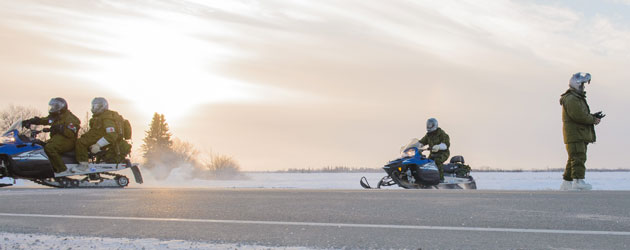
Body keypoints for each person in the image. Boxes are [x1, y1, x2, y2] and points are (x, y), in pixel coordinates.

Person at [559, 72, 601, 191]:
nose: (583, 86)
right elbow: (579, 116)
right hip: (576, 134)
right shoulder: (572, 98)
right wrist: (593, 120)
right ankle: (578, 181)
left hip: (577, 133)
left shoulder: (575, 97)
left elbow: (581, 115)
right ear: (576, 84)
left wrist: (593, 116)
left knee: (573, 158)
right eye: (582, 84)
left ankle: (566, 184)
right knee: (578, 157)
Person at [22, 97, 80, 173]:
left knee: (50, 148)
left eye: (54, 106)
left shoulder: (70, 118)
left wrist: (60, 128)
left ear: (61, 107)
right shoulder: (55, 117)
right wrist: (31, 121)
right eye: (51, 106)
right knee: (40, 145)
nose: (52, 108)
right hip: (58, 139)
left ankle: (62, 169)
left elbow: (71, 133)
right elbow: (45, 120)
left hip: (68, 140)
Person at [75, 97, 131, 171]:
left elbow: (112, 135)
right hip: (98, 138)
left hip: (103, 141)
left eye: (96, 106)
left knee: (80, 143)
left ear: (102, 106)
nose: (93, 108)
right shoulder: (100, 117)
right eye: (93, 106)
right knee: (79, 141)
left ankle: (83, 165)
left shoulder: (107, 118)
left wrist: (98, 145)